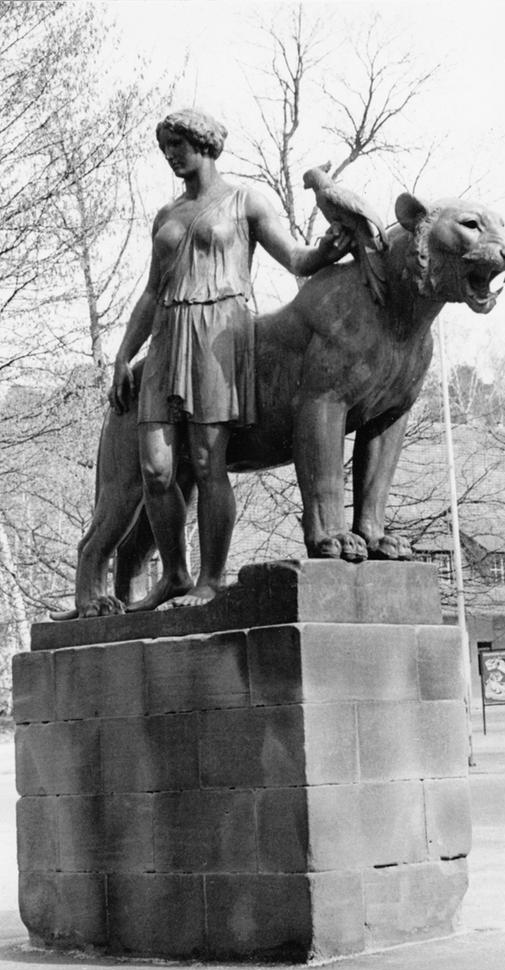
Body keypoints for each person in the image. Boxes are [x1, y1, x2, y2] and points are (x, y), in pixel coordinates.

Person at [109, 108, 350, 610]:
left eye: (180, 145)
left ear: (206, 145)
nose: (172, 155)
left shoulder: (246, 203)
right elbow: (152, 291)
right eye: (166, 148)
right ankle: (174, 573)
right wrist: (123, 356)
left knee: (204, 461)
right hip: (168, 335)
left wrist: (327, 250)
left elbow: (296, 259)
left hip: (219, 336)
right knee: (157, 469)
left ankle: (210, 578)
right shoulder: (167, 215)